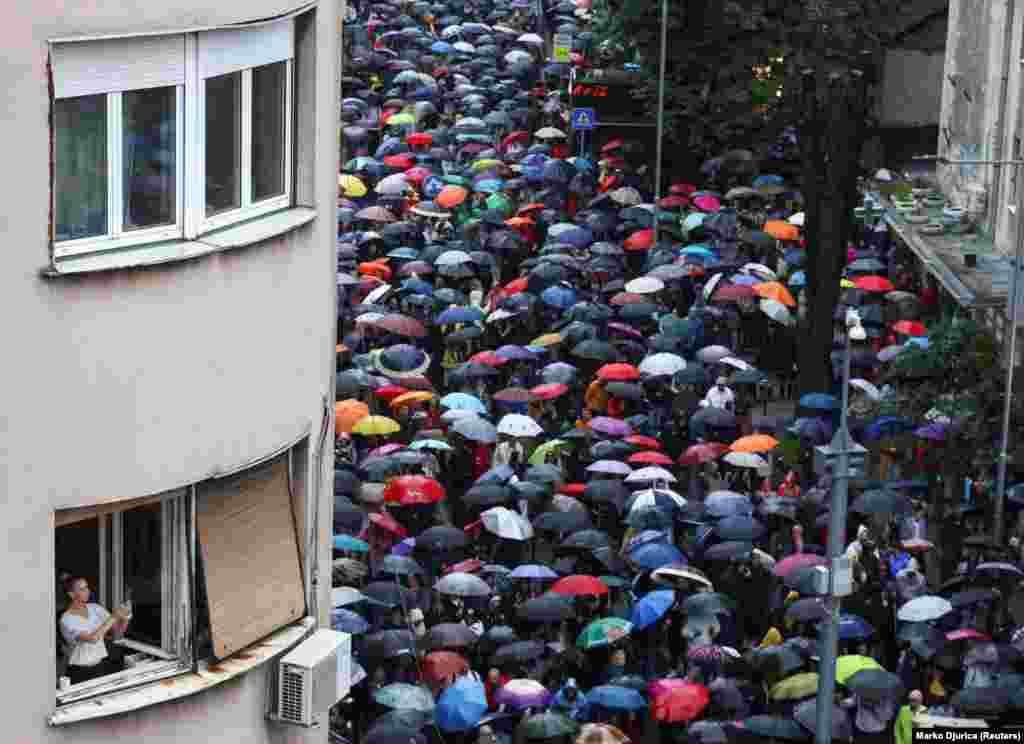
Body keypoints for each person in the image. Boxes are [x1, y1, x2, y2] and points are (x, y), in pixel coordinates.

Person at [59, 576, 132, 685]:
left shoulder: (95, 608)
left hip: (99, 666)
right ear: (72, 594)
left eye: (87, 587)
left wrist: (126, 616)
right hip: (79, 671)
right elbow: (92, 639)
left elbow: (118, 632)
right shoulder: (66, 619)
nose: (88, 591)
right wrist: (114, 616)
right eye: (82, 589)